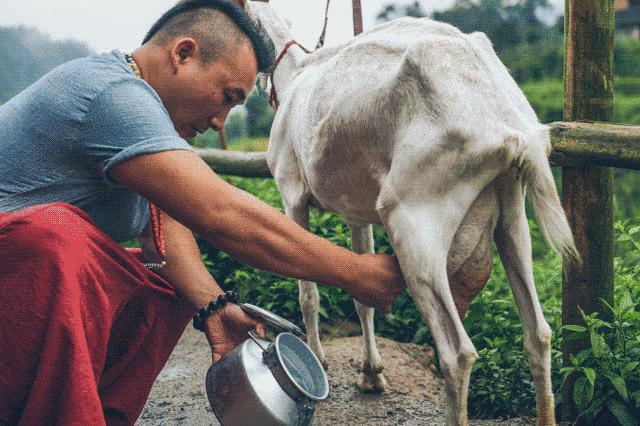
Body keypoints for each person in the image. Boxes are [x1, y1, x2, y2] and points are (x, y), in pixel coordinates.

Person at [0, 0, 405, 423]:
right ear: (183, 54)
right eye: (227, 97)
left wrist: (214, 308)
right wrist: (359, 273)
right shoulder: (111, 94)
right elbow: (222, 214)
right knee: (58, 241)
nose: (220, 122)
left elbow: (170, 231)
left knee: (155, 285)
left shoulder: (147, 128)